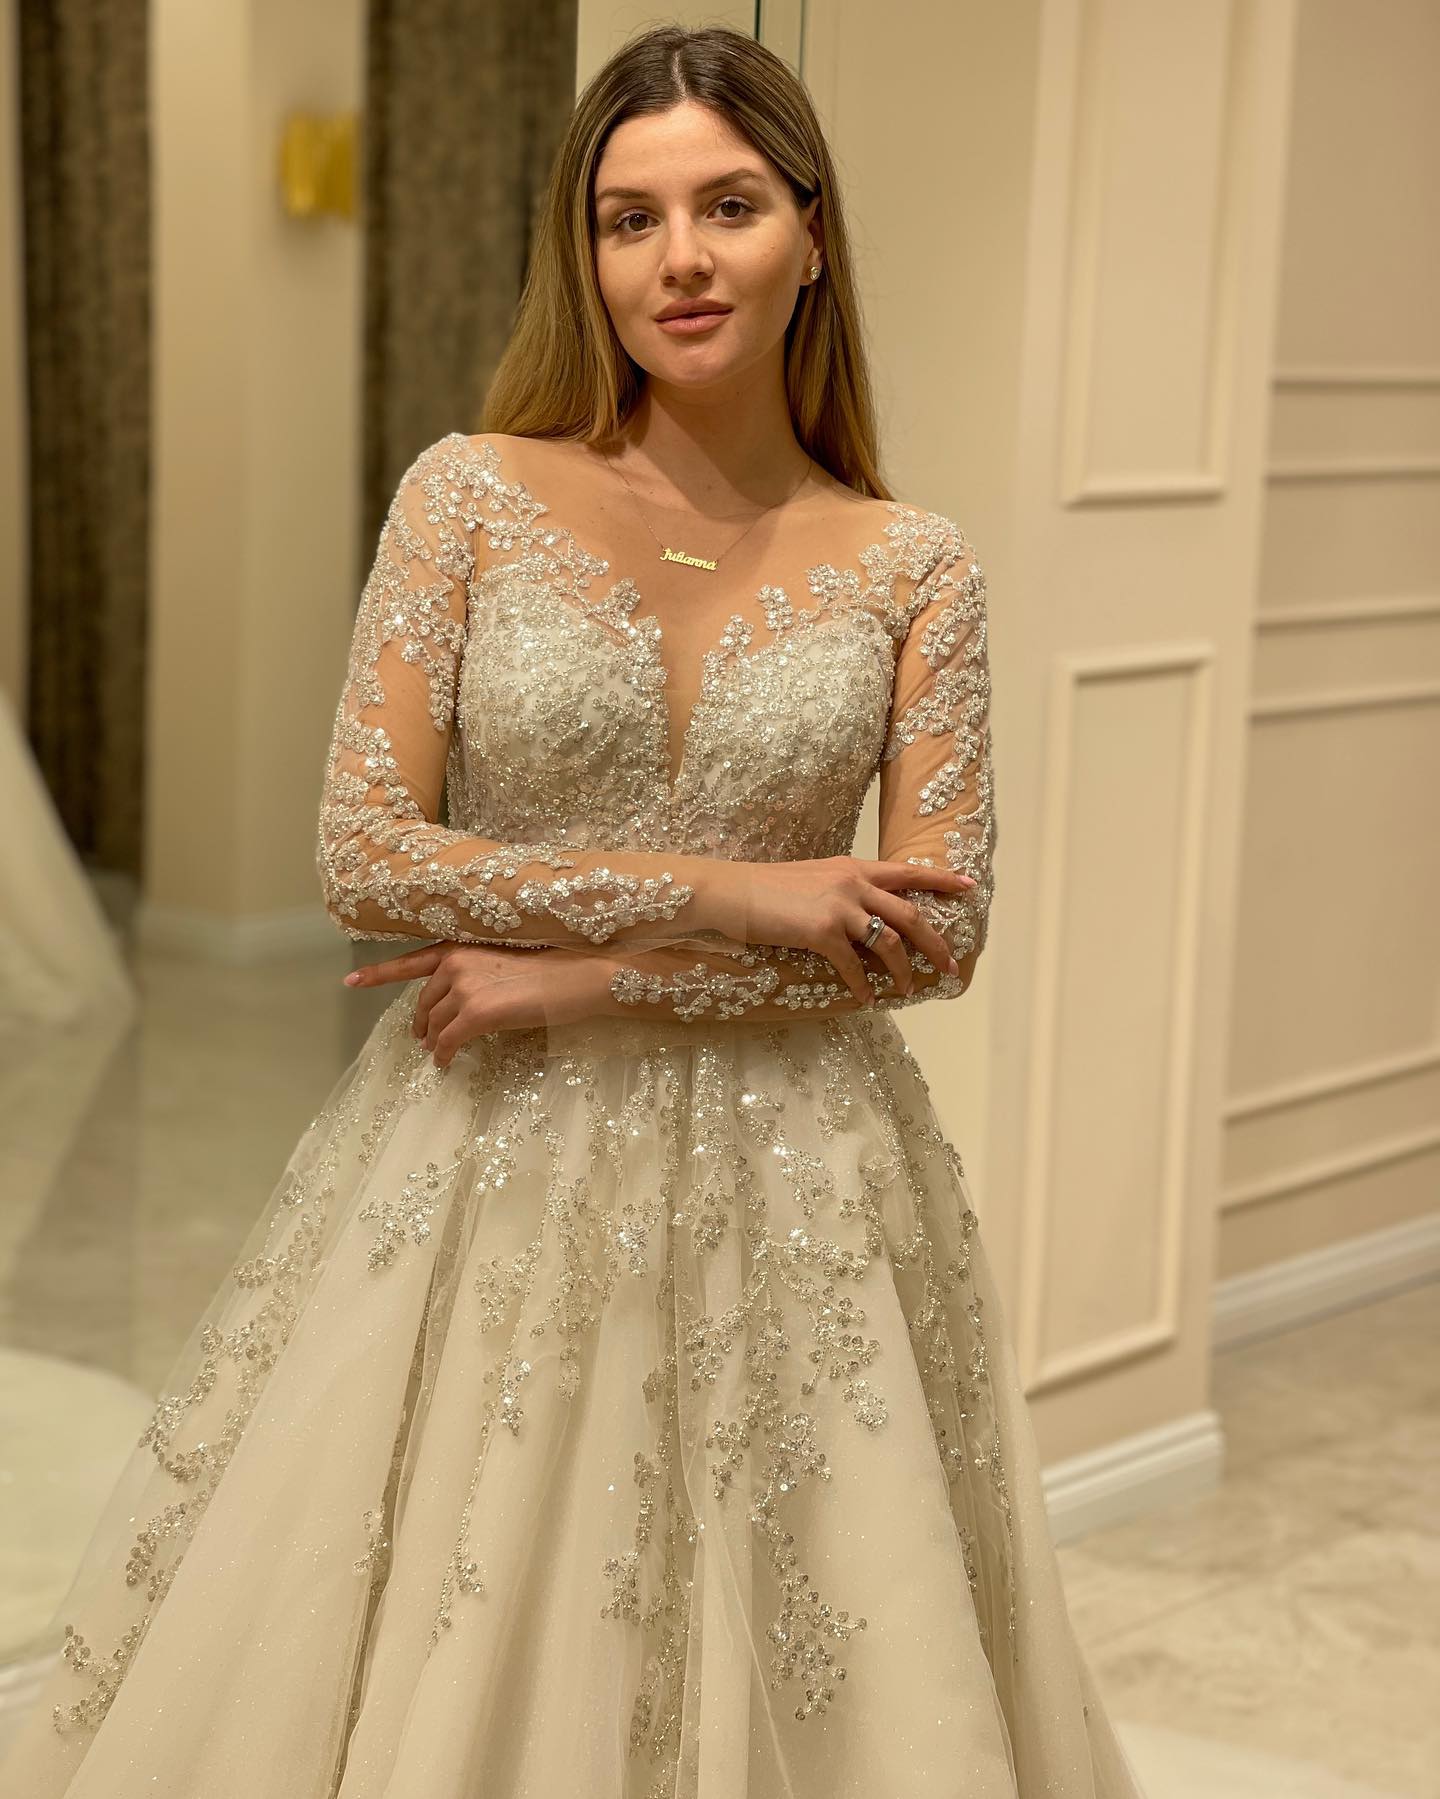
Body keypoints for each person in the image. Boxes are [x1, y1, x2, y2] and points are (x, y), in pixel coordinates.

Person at [0, 24, 1148, 1799]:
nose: (680, 258)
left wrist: (586, 982)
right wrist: (743, 891)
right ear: (586, 252)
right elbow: (367, 853)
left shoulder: (913, 562)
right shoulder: (468, 493)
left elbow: (932, 938)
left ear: (814, 236)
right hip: (483, 1158)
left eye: (730, 206)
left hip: (801, 1177)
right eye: (631, 219)